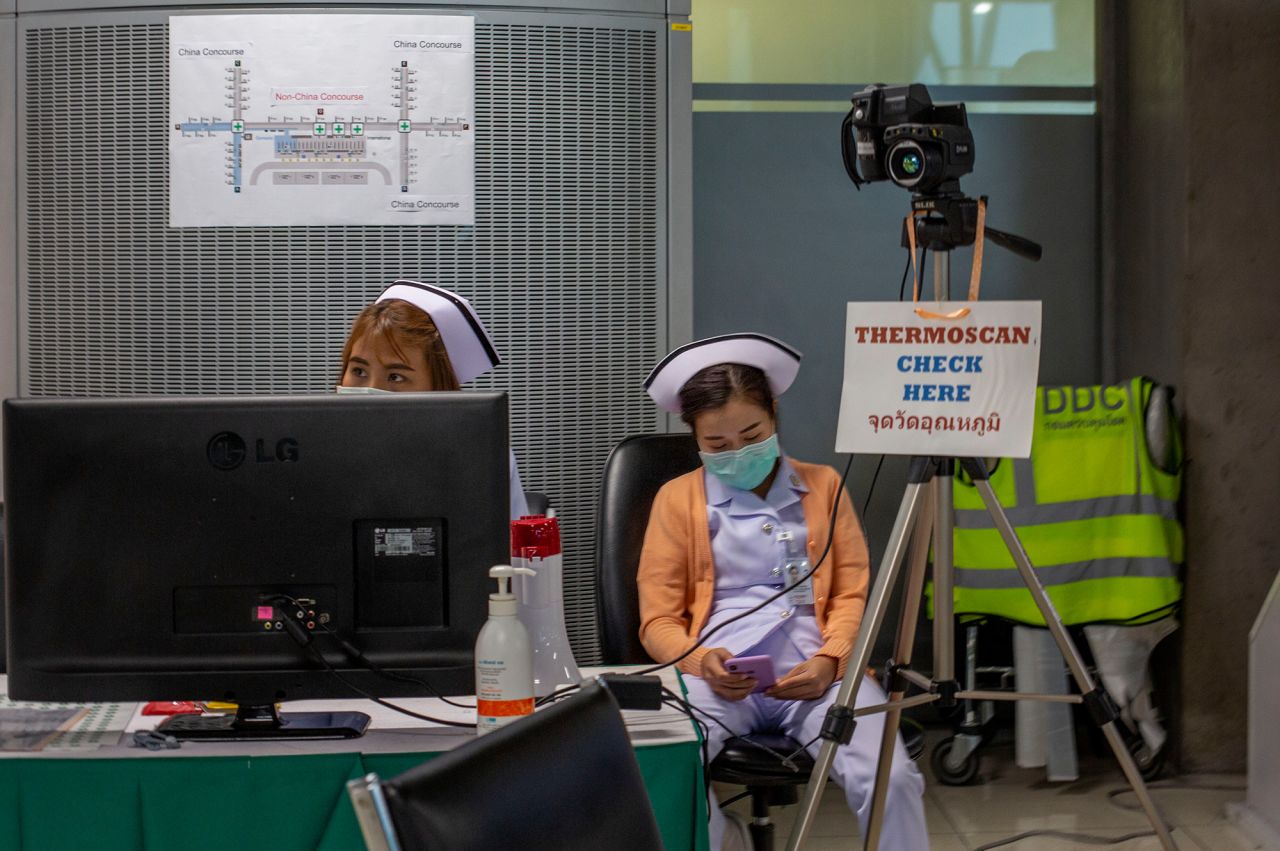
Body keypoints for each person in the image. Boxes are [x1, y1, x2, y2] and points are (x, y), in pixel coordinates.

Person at [637, 333, 927, 851]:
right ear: (694, 438)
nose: (738, 453)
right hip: (715, 680)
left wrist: (831, 660)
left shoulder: (824, 486)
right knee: (663, 778)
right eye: (717, 446)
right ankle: (726, 842)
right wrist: (701, 661)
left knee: (892, 779)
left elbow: (852, 596)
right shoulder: (675, 500)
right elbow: (657, 621)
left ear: (773, 414)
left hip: (820, 675)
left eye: (751, 435)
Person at [337, 280, 529, 520]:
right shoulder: (313, 450)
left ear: (438, 387)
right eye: (359, 372)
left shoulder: (483, 459)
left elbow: (513, 552)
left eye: (396, 376)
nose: (370, 389)